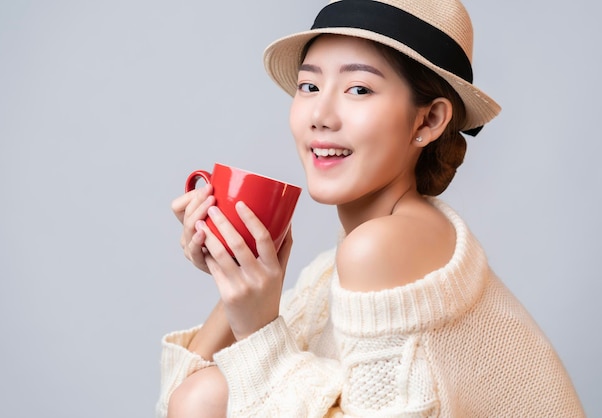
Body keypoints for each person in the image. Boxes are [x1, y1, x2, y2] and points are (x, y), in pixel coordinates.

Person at [157, 0, 585, 416]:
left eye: (358, 89)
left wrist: (257, 328)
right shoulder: (337, 267)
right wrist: (234, 274)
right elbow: (183, 402)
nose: (320, 115)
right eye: (309, 86)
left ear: (429, 121)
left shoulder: (383, 248)